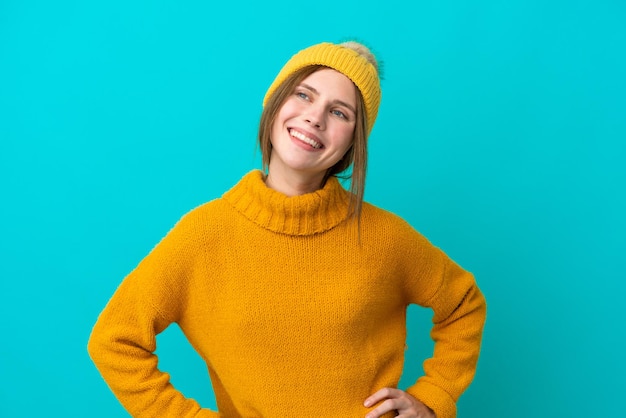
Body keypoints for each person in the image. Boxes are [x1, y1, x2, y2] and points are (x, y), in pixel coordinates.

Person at [88, 41, 487, 418]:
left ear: (352, 144)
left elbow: (463, 303)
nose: (315, 116)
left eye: (340, 112)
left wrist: (433, 398)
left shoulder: (384, 237)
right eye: (304, 94)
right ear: (274, 104)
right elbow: (114, 340)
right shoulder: (205, 235)